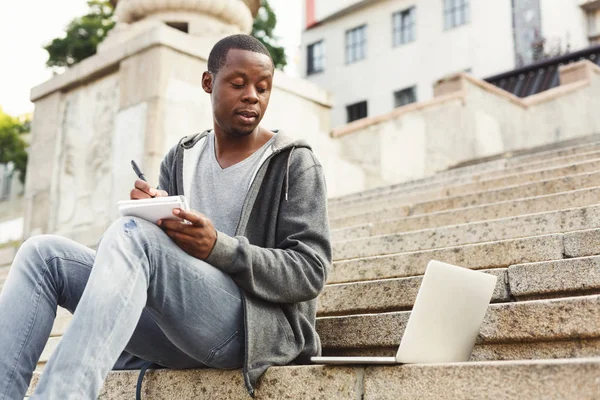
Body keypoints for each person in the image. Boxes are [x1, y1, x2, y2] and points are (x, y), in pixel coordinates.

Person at [0, 34, 332, 399]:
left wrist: (219, 248)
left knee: (132, 236)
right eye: (238, 84)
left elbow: (310, 271)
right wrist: (153, 214)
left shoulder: (293, 163)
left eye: (263, 88)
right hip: (178, 329)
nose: (252, 95)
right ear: (208, 83)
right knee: (42, 255)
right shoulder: (182, 157)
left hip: (250, 331)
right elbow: (164, 257)